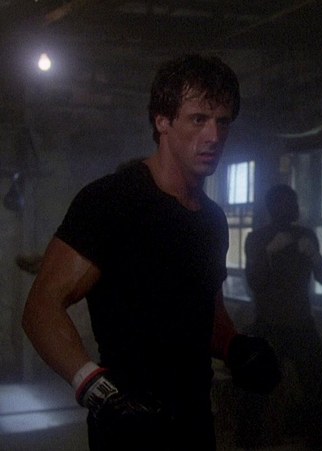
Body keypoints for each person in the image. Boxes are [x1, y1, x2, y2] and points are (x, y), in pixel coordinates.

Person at [21, 54, 280, 450]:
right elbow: (41, 308)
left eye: (223, 121)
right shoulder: (111, 201)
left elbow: (206, 312)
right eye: (198, 119)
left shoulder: (211, 220)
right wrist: (97, 390)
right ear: (162, 121)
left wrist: (235, 346)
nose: (214, 136)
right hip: (126, 427)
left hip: (194, 421)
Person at [243, 184, 322, 448]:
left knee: (317, 388)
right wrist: (268, 253)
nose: (295, 207)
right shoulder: (258, 239)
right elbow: (255, 283)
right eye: (289, 202)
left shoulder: (306, 235)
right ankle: (248, 442)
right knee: (255, 390)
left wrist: (315, 257)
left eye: (295, 202)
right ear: (274, 207)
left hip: (301, 323)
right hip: (269, 325)